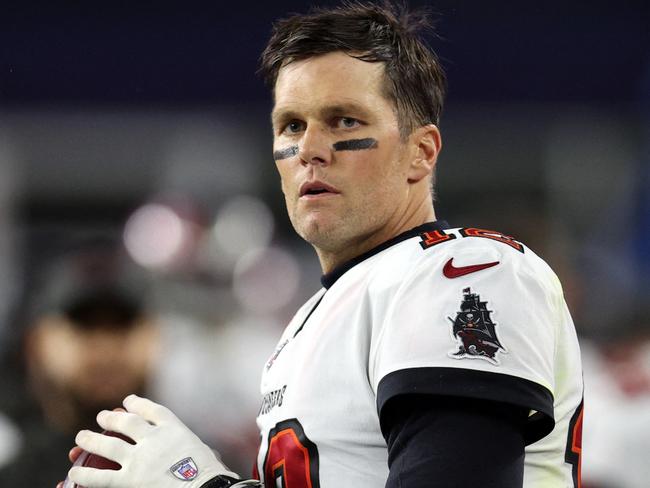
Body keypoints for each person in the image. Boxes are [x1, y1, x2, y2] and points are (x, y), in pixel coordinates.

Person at [63, 3, 583, 488]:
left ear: (421, 153)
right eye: (292, 124)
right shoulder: (315, 316)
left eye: (344, 120)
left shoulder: (463, 269)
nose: (310, 150)